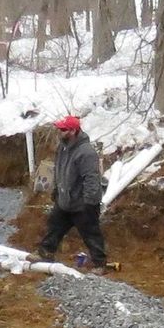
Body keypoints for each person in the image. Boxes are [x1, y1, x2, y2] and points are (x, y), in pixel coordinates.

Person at [37, 115, 108, 270]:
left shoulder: (86, 152)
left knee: (91, 234)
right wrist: (57, 190)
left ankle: (99, 264)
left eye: (63, 129)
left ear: (73, 131)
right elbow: (59, 171)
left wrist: (90, 202)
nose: (59, 131)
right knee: (54, 227)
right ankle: (46, 253)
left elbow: (91, 178)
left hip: (82, 203)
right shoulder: (63, 148)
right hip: (65, 201)